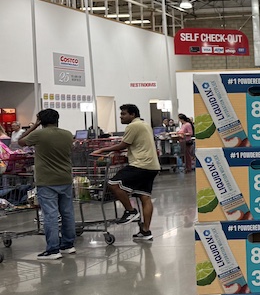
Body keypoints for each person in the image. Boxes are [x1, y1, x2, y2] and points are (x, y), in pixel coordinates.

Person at [90, 104, 160, 242]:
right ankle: (145, 232)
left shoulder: (133, 126)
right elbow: (137, 145)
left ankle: (130, 211)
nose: (121, 117)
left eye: (123, 114)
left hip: (140, 164)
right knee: (144, 197)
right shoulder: (144, 124)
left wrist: (102, 151)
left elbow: (123, 144)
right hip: (152, 166)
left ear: (132, 114)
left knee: (113, 183)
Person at [18, 109, 77, 260]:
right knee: (67, 212)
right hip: (65, 178)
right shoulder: (67, 134)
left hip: (47, 181)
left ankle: (52, 249)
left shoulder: (39, 134)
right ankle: (68, 245)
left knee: (50, 214)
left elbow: (20, 141)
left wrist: (34, 125)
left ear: (41, 121)